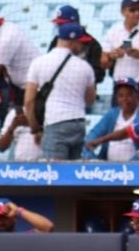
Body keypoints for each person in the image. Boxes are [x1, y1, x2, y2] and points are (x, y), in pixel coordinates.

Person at [23, 22, 96, 160]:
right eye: (81, 43)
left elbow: (28, 101)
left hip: (55, 121)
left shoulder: (38, 63)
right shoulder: (85, 67)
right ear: (72, 41)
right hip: (79, 122)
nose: (83, 46)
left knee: (55, 174)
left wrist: (35, 128)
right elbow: (90, 100)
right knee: (74, 175)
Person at [83, 77, 139, 161]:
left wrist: (130, 165)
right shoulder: (112, 114)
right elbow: (93, 134)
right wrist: (91, 158)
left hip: (134, 169)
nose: (124, 99)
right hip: (107, 168)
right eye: (121, 95)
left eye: (129, 95)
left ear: (137, 96)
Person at [0, 14, 40, 123]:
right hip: (18, 85)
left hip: (32, 89)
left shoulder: (6, 38)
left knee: (27, 121)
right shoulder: (4, 29)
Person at [48, 5, 106, 84]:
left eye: (62, 24)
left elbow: (98, 76)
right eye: (59, 25)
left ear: (74, 23)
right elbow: (48, 67)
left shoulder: (93, 45)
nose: (60, 27)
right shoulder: (56, 41)